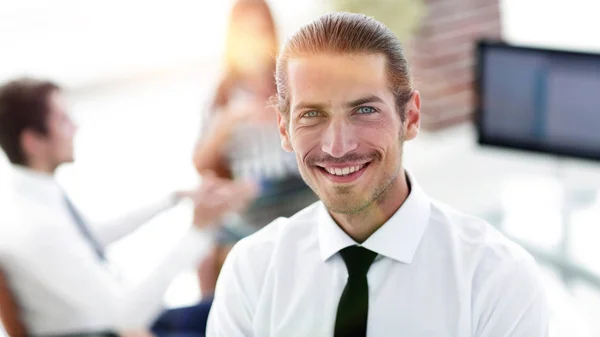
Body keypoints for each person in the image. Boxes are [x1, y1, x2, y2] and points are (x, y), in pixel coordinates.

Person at [206, 13, 550, 337]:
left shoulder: (495, 278)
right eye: (312, 114)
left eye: (365, 110)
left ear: (411, 117)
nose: (338, 146)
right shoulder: (253, 271)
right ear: (284, 129)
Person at [0, 78, 256, 336]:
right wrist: (200, 229)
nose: (76, 127)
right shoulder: (37, 227)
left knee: (243, 304)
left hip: (118, 324)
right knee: (244, 315)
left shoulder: (35, 196)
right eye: (63, 121)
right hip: (110, 330)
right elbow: (127, 315)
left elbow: (93, 236)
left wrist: (176, 198)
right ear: (32, 141)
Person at [192, 0, 317, 293]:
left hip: (301, 187)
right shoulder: (222, 95)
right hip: (250, 199)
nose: (253, 39)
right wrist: (229, 120)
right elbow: (200, 162)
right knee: (206, 261)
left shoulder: (294, 79)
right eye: (245, 32)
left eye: (259, 30)